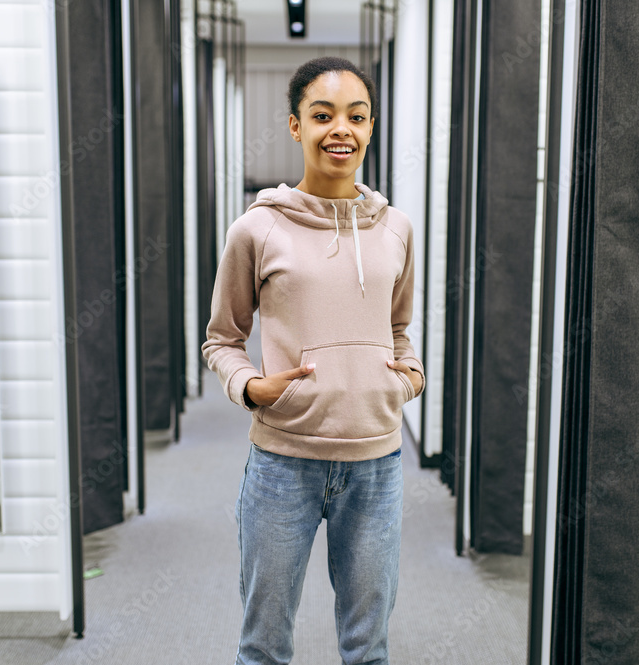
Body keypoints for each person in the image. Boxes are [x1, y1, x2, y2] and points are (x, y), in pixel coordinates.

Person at [201, 56, 425, 665]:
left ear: (371, 126)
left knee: (368, 647)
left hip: (376, 465)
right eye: (322, 115)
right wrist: (250, 387)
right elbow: (221, 338)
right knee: (264, 646)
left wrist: (409, 377)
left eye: (355, 116)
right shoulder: (257, 229)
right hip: (282, 464)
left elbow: (399, 329)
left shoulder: (397, 229)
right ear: (296, 127)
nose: (340, 130)